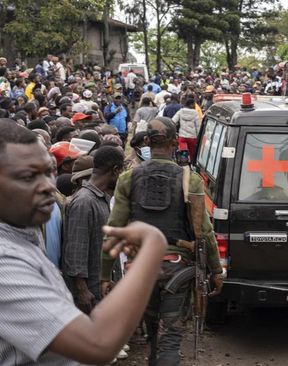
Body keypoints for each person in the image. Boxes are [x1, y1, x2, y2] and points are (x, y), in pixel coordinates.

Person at [0, 118, 168, 364]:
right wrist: (152, 248)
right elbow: (98, 343)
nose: (48, 185)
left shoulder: (25, 234)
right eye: (27, 177)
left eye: (49, 172)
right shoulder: (5, 264)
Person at [101, 118, 223, 365]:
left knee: (154, 331)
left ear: (146, 141)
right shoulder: (191, 181)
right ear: (176, 142)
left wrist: (104, 275)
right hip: (177, 268)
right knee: (170, 337)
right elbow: (205, 233)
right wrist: (216, 270)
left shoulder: (127, 178)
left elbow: (114, 230)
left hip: (139, 270)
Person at [62, 146, 124, 314]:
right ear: (115, 170)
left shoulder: (101, 199)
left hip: (102, 290)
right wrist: (82, 290)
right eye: (122, 171)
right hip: (91, 294)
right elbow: (75, 251)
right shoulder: (84, 202)